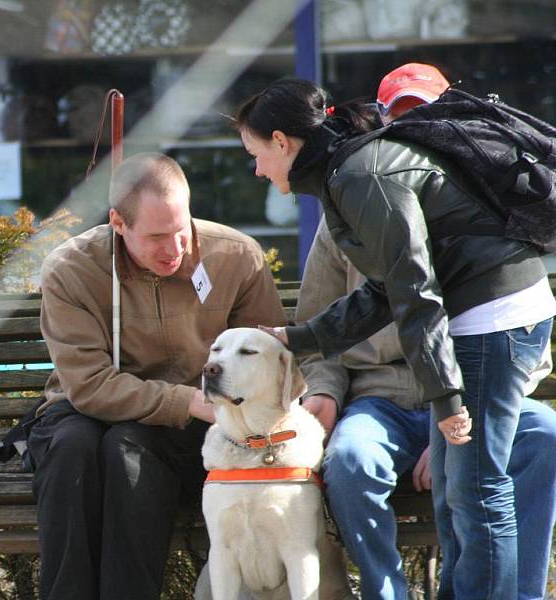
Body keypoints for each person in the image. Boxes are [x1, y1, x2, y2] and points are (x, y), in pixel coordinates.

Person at [235, 76, 556, 600]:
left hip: (493, 319)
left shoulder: (361, 177)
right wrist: (299, 338)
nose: (257, 168)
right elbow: (386, 293)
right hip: (485, 318)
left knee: (477, 491)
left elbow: (416, 294)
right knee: (464, 491)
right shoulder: (351, 173)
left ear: (281, 142)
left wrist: (446, 401)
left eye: (255, 153)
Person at [29, 152, 287, 600]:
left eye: (180, 230)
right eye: (156, 237)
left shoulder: (235, 256)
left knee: (127, 450)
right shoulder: (72, 269)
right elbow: (88, 385)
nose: (174, 249)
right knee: (73, 449)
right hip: (89, 410)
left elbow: (272, 359)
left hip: (196, 425)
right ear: (118, 222)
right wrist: (186, 401)